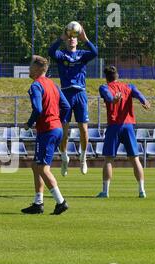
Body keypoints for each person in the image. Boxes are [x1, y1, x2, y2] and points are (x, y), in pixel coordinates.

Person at [21, 56, 71, 215]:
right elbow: (66, 106)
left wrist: (29, 123)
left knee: (42, 167)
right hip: (56, 129)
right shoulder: (53, 85)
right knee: (36, 165)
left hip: (47, 130)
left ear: (37, 69)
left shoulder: (36, 85)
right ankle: (38, 203)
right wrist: (59, 120)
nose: (29, 70)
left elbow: (38, 109)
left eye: (30, 67)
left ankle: (60, 201)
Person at [48, 24, 98, 176]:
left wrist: (86, 39)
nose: (71, 40)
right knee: (64, 129)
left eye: (74, 38)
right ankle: (64, 157)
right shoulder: (62, 55)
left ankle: (83, 157)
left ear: (77, 40)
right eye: (69, 38)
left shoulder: (83, 54)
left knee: (84, 129)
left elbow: (95, 53)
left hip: (80, 93)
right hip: (65, 95)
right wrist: (60, 38)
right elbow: (50, 52)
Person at [97, 66, 151, 198]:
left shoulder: (104, 87)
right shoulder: (129, 86)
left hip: (114, 125)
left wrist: (113, 100)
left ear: (106, 77)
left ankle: (105, 191)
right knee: (135, 159)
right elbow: (139, 94)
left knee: (109, 159)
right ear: (118, 76)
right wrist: (144, 101)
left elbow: (108, 97)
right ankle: (141, 191)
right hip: (128, 125)